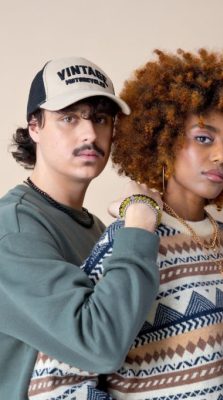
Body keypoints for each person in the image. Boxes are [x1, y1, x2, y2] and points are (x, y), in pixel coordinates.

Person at [28, 49, 223, 400]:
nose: (221, 156)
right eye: (203, 138)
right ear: (164, 138)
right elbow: (54, 383)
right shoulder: (132, 238)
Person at [0, 57, 163, 399]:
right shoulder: (12, 230)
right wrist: (140, 220)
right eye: (68, 118)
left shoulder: (96, 228)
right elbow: (98, 345)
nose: (90, 134)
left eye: (101, 119)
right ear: (35, 127)